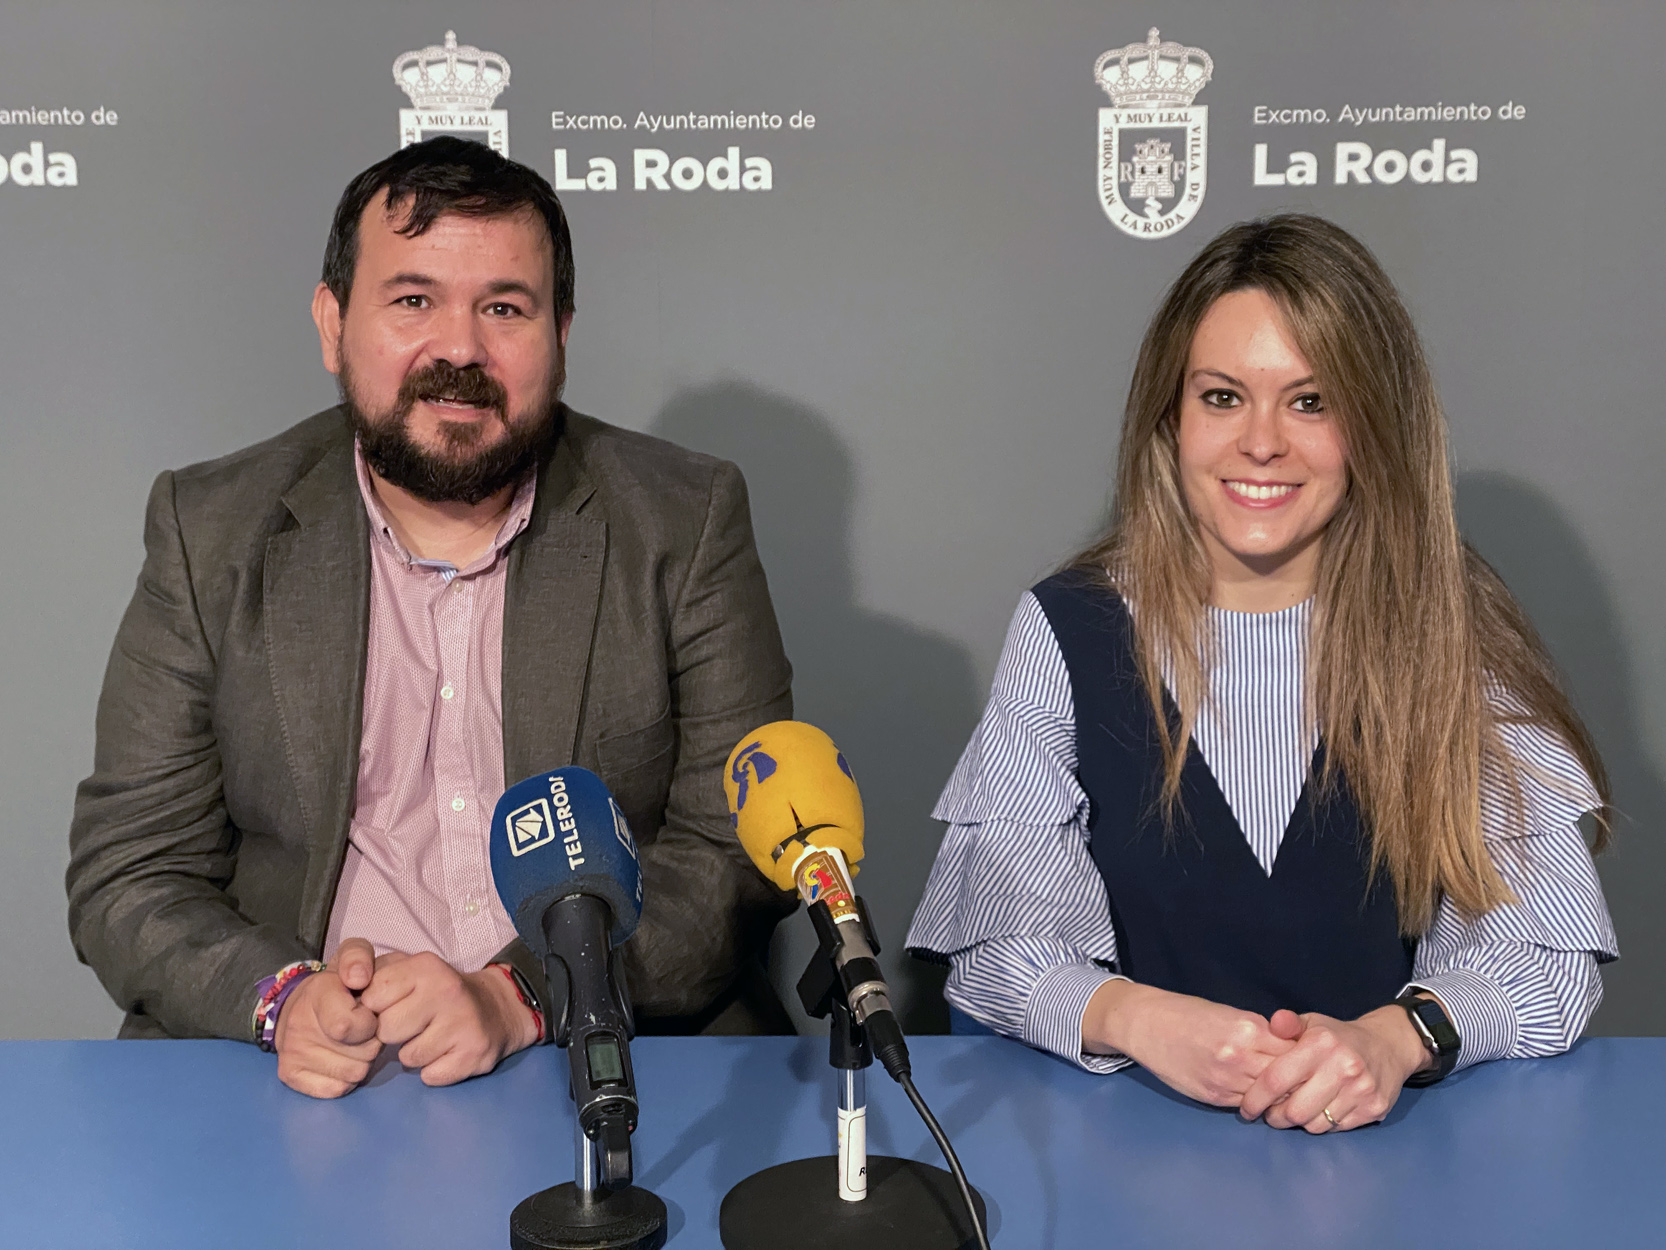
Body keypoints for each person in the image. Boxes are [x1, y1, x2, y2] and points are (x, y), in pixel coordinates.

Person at [66, 137, 796, 1098]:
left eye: (504, 307)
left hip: (592, 1055)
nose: (459, 349)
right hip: (304, 1073)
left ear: (561, 333)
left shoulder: (683, 519)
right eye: (413, 301)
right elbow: (132, 870)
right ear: (333, 324)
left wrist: (522, 997)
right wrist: (282, 998)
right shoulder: (211, 530)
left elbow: (739, 856)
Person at [907, 214, 1617, 1133]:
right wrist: (1142, 1019)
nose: (1263, 442)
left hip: (1390, 1160)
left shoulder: (1450, 626)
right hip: (1129, 1145)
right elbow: (1000, 941)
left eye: (1311, 401)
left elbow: (1546, 953)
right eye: (1223, 397)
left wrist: (1395, 1040)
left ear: (1375, 424)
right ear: (1171, 414)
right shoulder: (1068, 627)